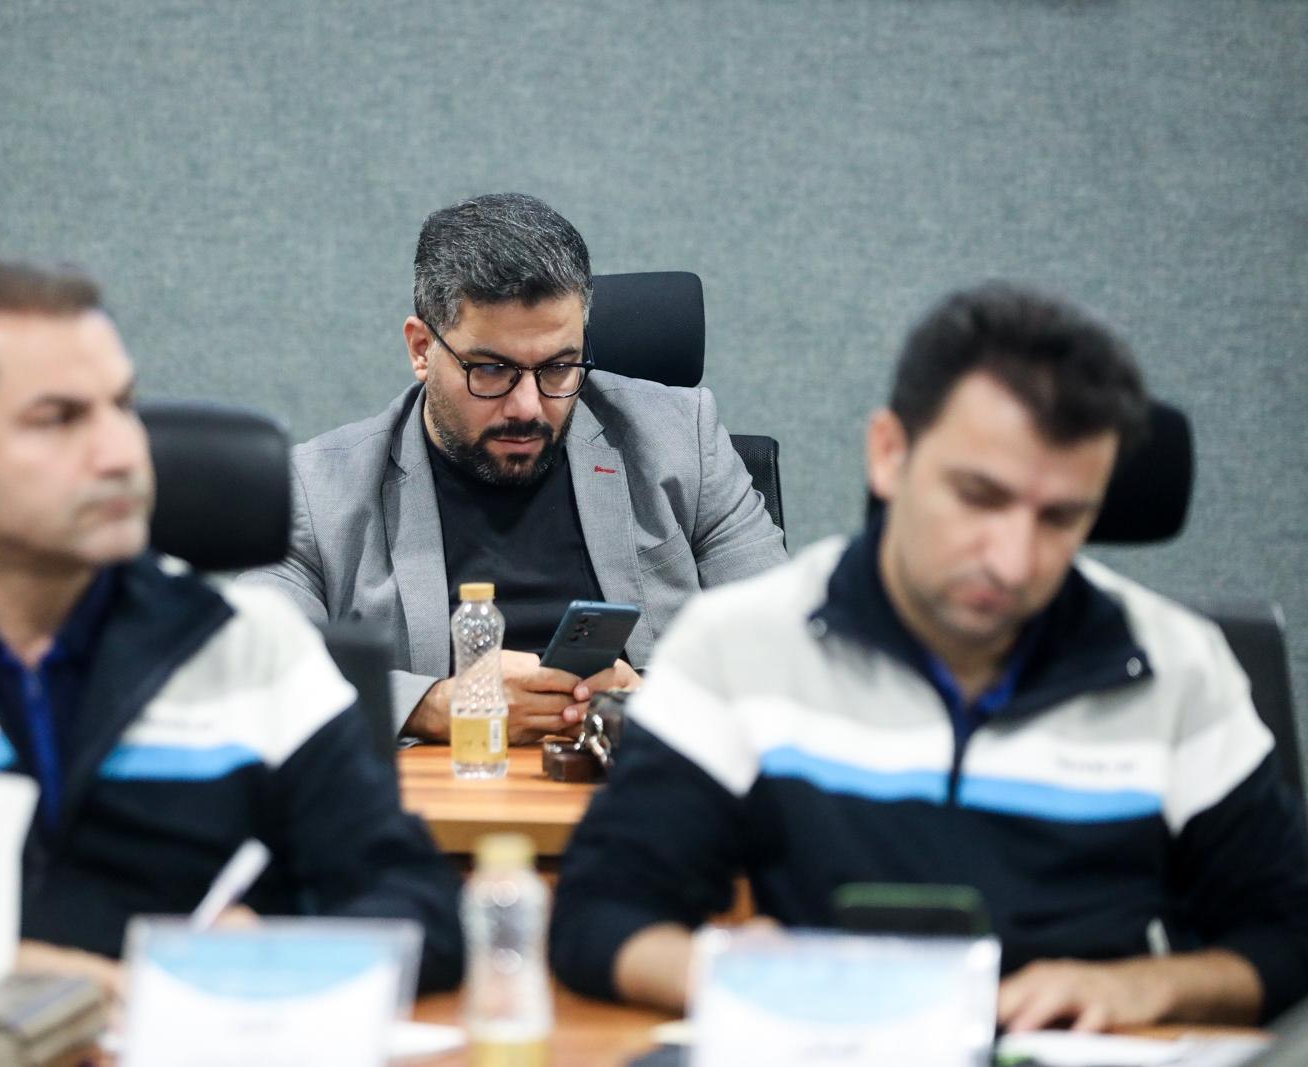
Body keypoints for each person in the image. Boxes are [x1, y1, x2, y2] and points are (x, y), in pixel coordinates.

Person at [550, 282, 1308, 1028]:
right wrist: (744, 975)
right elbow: (598, 916)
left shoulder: (1176, 664)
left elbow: (1287, 934)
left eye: (1061, 518)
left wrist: (1152, 987)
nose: (1012, 561)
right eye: (979, 497)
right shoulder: (739, 644)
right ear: (889, 453)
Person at [0, 260, 463, 993]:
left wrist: (268, 952)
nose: (120, 452)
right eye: (59, 418)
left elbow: (423, 915)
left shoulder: (250, 649)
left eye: (121, 406)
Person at [244, 193, 786, 743]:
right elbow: (256, 668)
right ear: (422, 348)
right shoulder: (319, 489)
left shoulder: (680, 441)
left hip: (643, 778)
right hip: (444, 788)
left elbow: (787, 643)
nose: (528, 407)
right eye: (491, 369)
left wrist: (658, 702)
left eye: (558, 367)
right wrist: (434, 705)